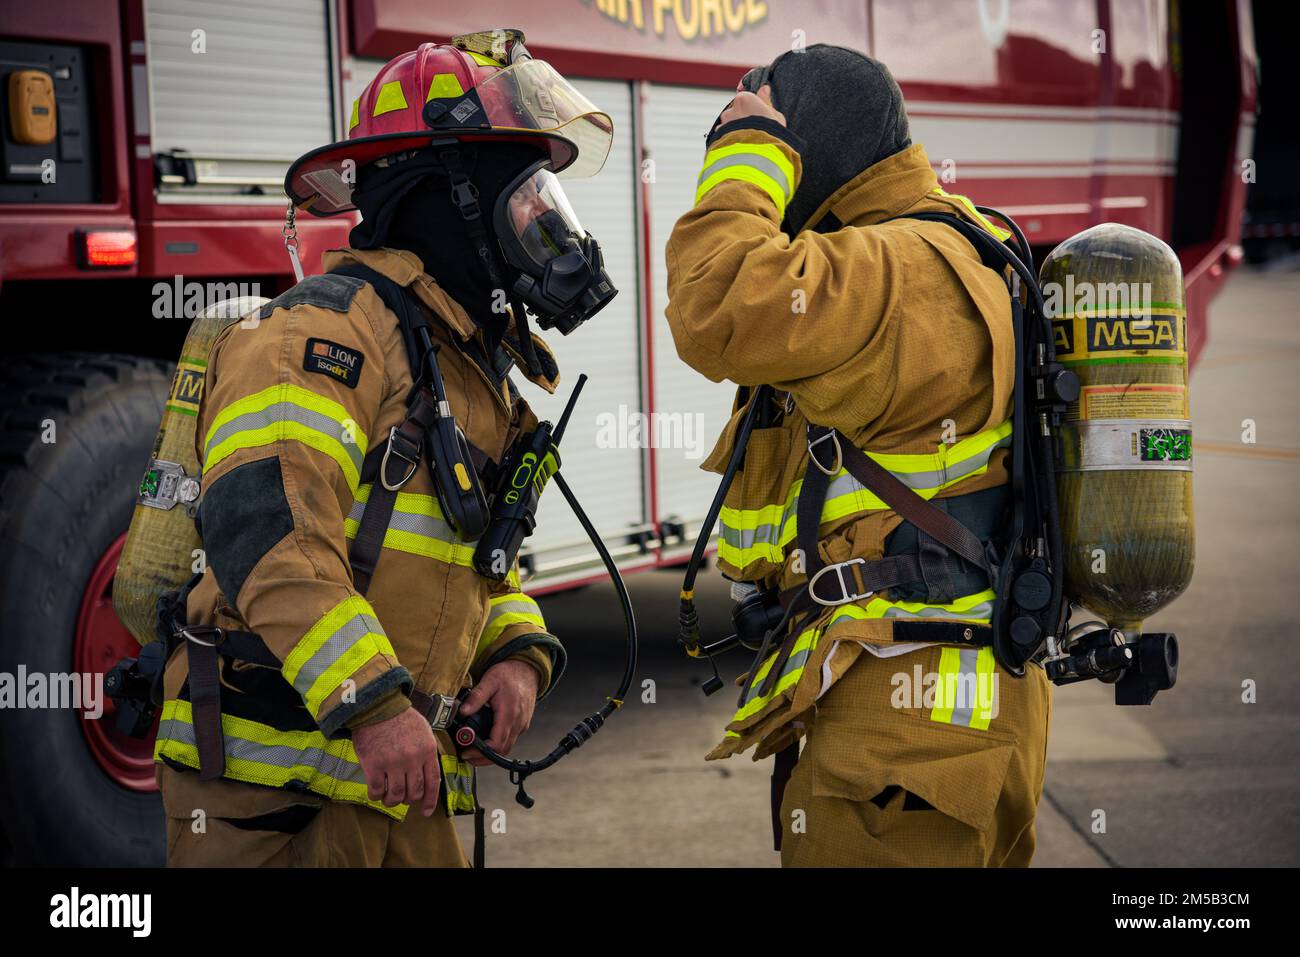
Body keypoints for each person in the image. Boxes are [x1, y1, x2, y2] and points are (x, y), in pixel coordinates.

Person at [154, 29, 616, 867]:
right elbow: (269, 533)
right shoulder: (319, 333)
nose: (546, 223)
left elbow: (466, 559)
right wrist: (371, 703)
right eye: (525, 193)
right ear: (449, 197)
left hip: (402, 784)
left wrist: (516, 656)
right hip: (278, 796)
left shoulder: (464, 360)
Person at [665, 45, 1051, 867]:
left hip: (910, 737)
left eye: (776, 138)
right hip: (922, 723)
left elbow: (716, 305)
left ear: (807, 149)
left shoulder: (901, 266)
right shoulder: (919, 248)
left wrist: (744, 157)